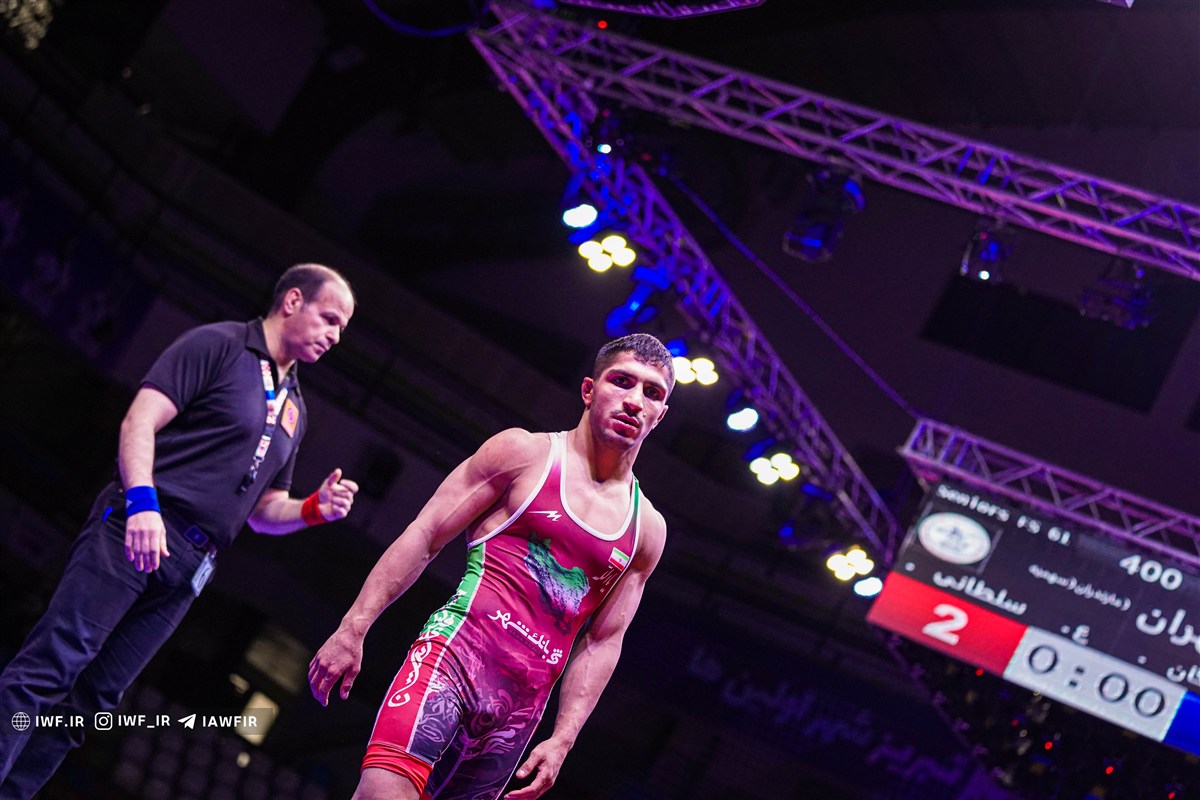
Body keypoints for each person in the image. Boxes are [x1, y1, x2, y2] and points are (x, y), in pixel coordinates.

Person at [0, 263, 360, 799]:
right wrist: (142, 503)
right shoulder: (218, 346)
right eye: (329, 319)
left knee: (93, 703)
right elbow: (139, 421)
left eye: (342, 329)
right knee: (54, 662)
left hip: (191, 567)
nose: (334, 337)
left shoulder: (295, 409)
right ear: (292, 302)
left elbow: (262, 510)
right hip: (138, 526)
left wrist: (313, 509)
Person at [308, 333, 674, 800]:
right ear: (589, 390)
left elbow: (604, 640)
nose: (635, 401)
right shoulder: (523, 454)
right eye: (622, 381)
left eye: (652, 392)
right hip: (451, 665)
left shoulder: (647, 529)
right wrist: (353, 627)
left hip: (517, 718)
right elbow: (426, 534)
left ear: (661, 414)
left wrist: (563, 739)